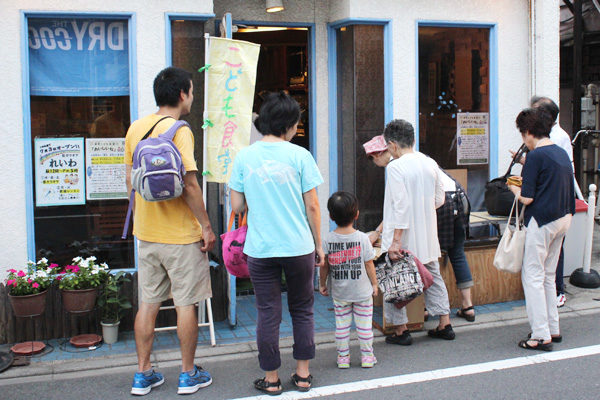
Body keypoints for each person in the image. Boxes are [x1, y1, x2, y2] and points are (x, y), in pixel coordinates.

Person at [125, 67, 216, 396]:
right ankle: (188, 374)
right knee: (185, 305)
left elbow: (130, 184)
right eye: (191, 91)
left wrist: (142, 221)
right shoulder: (181, 130)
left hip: (147, 234)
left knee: (148, 304)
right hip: (180, 236)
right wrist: (206, 226)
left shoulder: (135, 128)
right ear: (182, 94)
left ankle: (142, 374)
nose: (192, 96)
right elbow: (190, 185)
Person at [228, 91, 324, 395]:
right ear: (290, 124)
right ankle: (303, 375)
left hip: (261, 248)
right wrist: (319, 244)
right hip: (298, 247)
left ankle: (271, 379)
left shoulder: (244, 156)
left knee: (267, 311)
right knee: (303, 309)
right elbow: (313, 207)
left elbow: (237, 205)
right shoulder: (300, 156)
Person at [364, 135, 475, 322]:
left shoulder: (396, 166)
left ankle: (409, 320)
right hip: (458, 198)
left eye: (374, 158)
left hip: (442, 205)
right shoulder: (424, 160)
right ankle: (459, 310)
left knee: (407, 264)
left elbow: (400, 207)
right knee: (447, 256)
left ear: (386, 149)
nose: (375, 163)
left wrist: (390, 237)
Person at [380, 120, 455, 346]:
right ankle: (444, 322)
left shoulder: (395, 167)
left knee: (395, 279)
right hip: (427, 233)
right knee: (434, 276)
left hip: (403, 237)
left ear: (392, 145)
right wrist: (422, 211)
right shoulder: (429, 162)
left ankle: (401, 330)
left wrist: (395, 242)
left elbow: (400, 207)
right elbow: (439, 199)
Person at [508, 107, 574, 352]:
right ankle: (552, 328)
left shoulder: (536, 156)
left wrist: (512, 187)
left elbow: (527, 198)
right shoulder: (559, 152)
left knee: (533, 276)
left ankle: (540, 334)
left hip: (542, 220)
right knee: (548, 275)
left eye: (522, 133)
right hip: (564, 218)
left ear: (527, 132)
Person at [319, 191, 379, 369]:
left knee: (342, 327)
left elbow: (325, 266)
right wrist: (374, 284)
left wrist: (322, 284)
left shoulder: (328, 239)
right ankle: (367, 357)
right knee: (364, 327)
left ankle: (343, 358)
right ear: (357, 214)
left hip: (340, 293)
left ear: (330, 216)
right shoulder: (363, 239)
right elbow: (369, 264)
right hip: (362, 293)